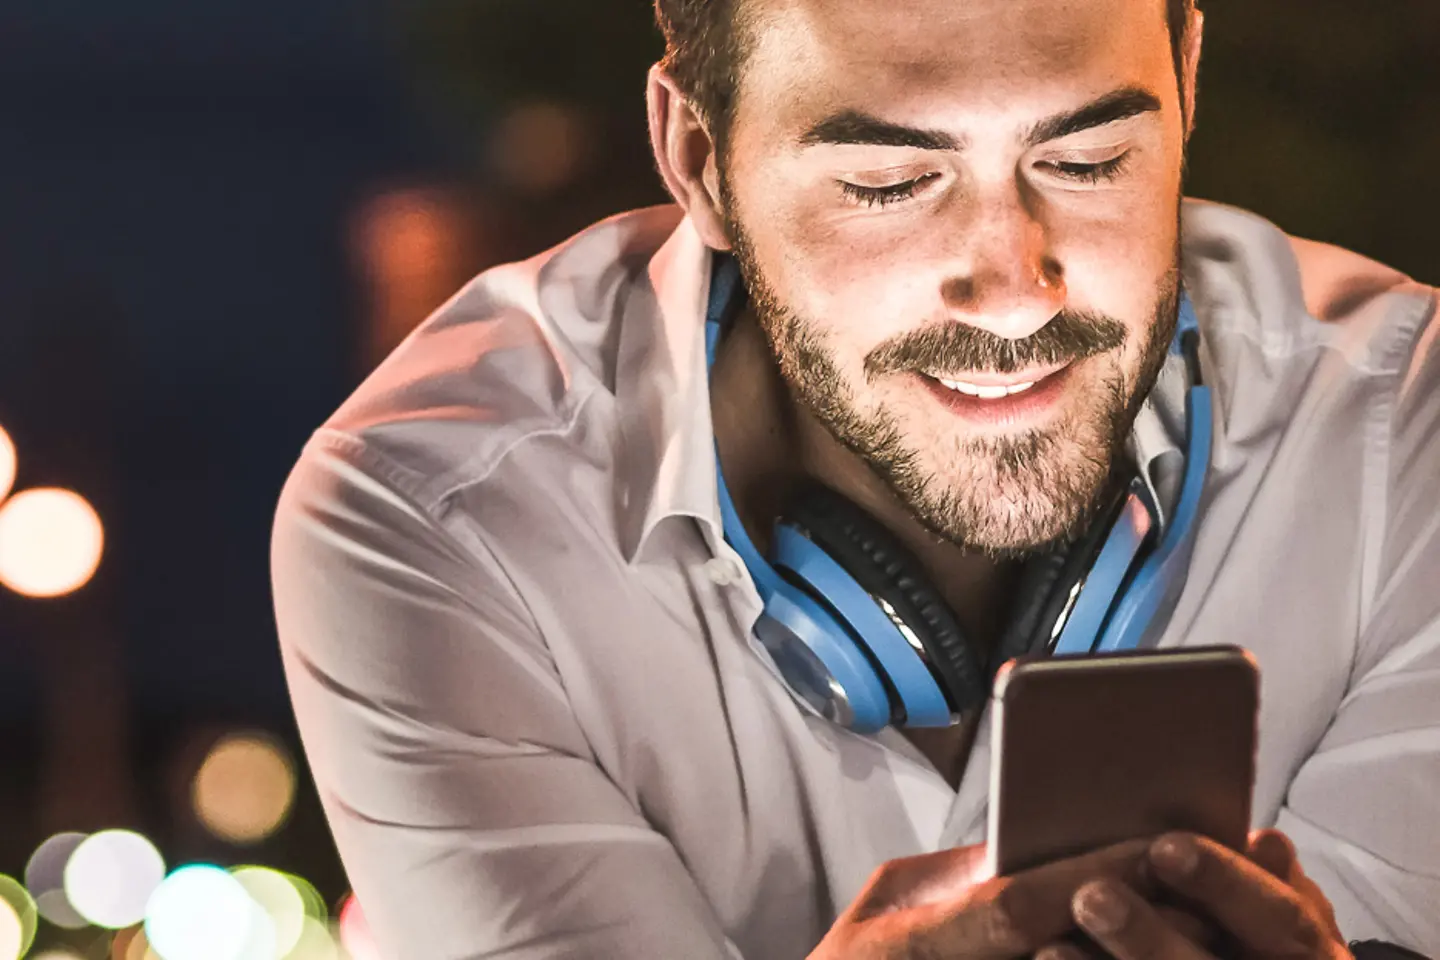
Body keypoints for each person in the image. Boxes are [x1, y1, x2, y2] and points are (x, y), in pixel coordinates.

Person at [269, 0, 1440, 956]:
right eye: (889, 183)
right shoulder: (435, 521)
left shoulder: (1406, 426)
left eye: (1088, 160)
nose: (1019, 286)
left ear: (1187, 79)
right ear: (700, 160)